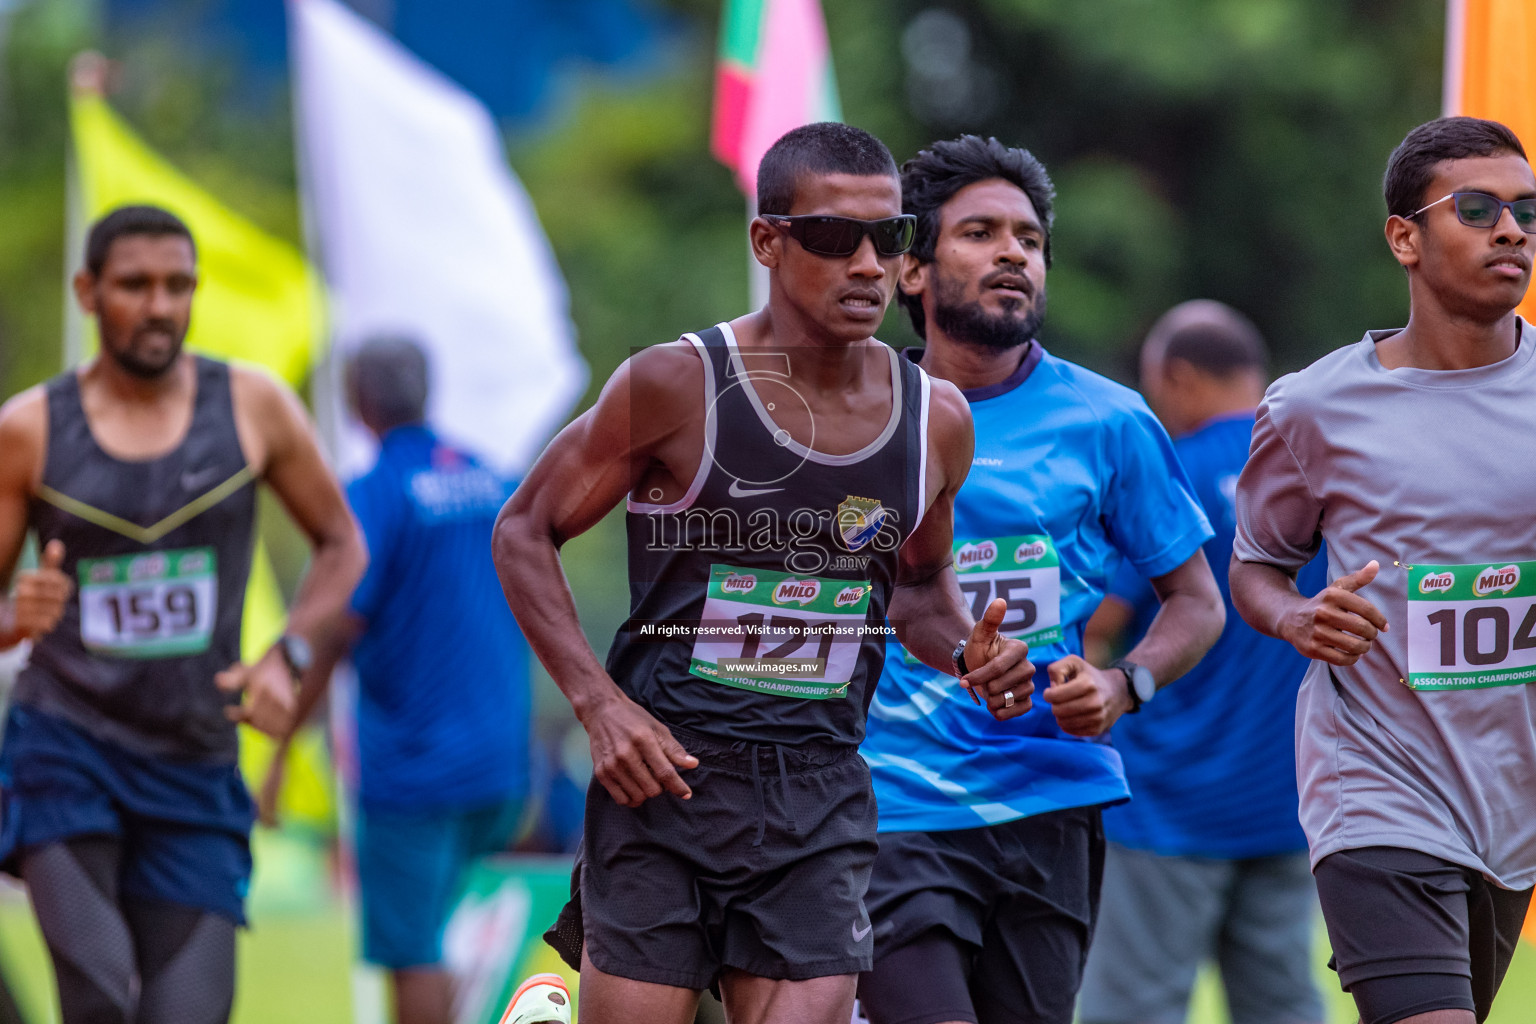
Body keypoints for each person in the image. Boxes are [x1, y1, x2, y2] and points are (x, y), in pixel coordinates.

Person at [491, 122, 1036, 1024]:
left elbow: (918, 590)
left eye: (890, 237)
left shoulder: (934, 421)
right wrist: (600, 705)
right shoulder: (676, 384)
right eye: (833, 237)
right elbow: (523, 530)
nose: (868, 264)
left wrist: (972, 655)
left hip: (818, 796)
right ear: (768, 242)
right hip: (664, 785)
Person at [854, 135, 1226, 1024]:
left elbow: (1197, 601)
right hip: (895, 800)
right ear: (912, 269)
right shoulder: (856, 421)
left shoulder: (1110, 421)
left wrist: (1122, 681)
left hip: (1052, 798)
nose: (1013, 252)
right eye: (980, 232)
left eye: (1029, 238)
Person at [0, 204, 366, 1024]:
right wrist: (14, 617)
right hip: (66, 748)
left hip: (194, 760)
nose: (160, 305)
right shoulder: (28, 430)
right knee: (98, 1001)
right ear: (88, 291)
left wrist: (289, 657)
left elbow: (343, 543)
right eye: (135, 285)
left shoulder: (252, 406)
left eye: (178, 286)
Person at [1230, 115, 1536, 1024]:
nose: (1512, 231)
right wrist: (1295, 618)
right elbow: (1256, 568)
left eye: (1526, 210)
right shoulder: (1314, 408)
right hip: (1376, 787)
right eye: (1477, 209)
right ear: (1405, 236)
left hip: (1508, 799)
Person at [260, 337, 533, 1024]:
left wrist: (282, 745)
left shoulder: (371, 497)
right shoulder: (493, 479)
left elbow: (328, 633)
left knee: (412, 950)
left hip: (416, 769)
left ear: (358, 404)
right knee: (442, 933)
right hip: (502, 762)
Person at [1076, 301, 1326, 1024]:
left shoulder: (1174, 471)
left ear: (1178, 378)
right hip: (1290, 797)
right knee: (1284, 1006)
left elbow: (1101, 625)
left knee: (1134, 1007)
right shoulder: (1322, 469)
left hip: (1166, 801)